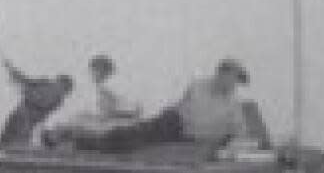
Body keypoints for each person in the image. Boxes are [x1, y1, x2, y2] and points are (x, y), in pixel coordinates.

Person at [79, 57, 254, 154]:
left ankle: (95, 144)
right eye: (233, 78)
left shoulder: (233, 105)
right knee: (137, 132)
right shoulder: (198, 86)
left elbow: (241, 134)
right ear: (221, 73)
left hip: (189, 136)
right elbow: (181, 106)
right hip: (174, 122)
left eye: (237, 81)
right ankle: (92, 142)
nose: (234, 84)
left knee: (139, 140)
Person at [0, 61, 74, 151]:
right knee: (7, 140)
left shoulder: (57, 97)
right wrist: (12, 71)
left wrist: (25, 89)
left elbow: (38, 100)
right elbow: (26, 81)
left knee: (15, 142)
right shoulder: (47, 85)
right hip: (22, 116)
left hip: (27, 119)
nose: (56, 85)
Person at [89, 54, 141, 123]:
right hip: (122, 116)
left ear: (102, 72)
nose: (92, 76)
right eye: (92, 72)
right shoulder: (104, 86)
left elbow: (109, 111)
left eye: (94, 72)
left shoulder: (109, 87)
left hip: (125, 118)